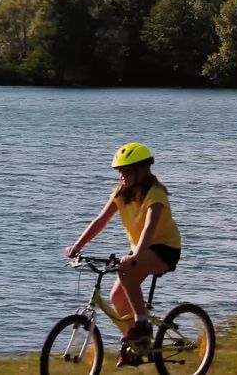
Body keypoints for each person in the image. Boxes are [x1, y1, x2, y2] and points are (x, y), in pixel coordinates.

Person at [64, 142, 181, 367]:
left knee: (125, 269)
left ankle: (143, 324)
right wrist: (78, 246)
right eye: (120, 172)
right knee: (117, 297)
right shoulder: (121, 192)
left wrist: (135, 255)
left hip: (164, 249)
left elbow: (149, 227)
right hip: (141, 249)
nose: (122, 177)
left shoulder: (155, 194)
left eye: (126, 172)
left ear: (142, 170)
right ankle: (137, 346)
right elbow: (100, 220)